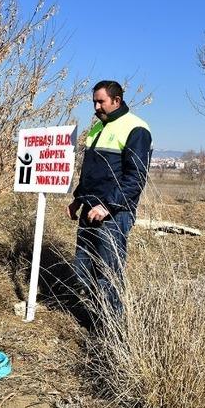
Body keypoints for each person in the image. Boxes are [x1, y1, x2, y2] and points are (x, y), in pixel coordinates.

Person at [66, 80, 153, 314]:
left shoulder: (136, 128)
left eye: (101, 101)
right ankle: (94, 314)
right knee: (83, 268)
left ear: (116, 100)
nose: (96, 107)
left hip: (114, 214)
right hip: (89, 209)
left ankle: (111, 328)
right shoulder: (97, 127)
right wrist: (78, 199)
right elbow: (91, 173)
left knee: (108, 272)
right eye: (94, 101)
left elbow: (135, 178)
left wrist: (107, 205)